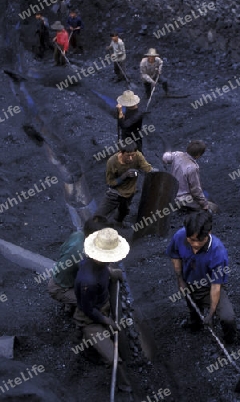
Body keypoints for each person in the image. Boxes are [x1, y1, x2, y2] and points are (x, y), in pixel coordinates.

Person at [166, 210, 237, 344]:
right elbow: (175, 256)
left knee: (228, 318)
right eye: (191, 240)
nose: (195, 245)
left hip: (208, 287)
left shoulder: (218, 252)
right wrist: (180, 280)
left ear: (208, 233)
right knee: (193, 308)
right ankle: (195, 324)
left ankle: (231, 340)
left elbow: (216, 286)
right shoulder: (179, 236)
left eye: (200, 240)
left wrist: (210, 315)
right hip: (188, 283)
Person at [73, 227, 131, 390]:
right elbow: (87, 309)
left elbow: (104, 270)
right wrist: (107, 321)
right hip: (89, 319)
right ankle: (123, 385)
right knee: (113, 359)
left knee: (95, 345)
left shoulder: (94, 263)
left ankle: (88, 350)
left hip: (101, 306)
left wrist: (112, 272)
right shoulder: (88, 282)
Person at [48, 217, 107, 314]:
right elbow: (91, 280)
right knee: (93, 301)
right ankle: (79, 318)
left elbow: (62, 250)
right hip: (59, 289)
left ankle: (70, 303)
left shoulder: (78, 235)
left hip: (60, 276)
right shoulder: (82, 254)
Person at [96, 141, 157, 227]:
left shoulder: (138, 155)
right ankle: (95, 229)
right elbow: (110, 183)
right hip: (115, 193)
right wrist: (124, 176)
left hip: (129, 193)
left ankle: (118, 223)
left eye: (133, 155)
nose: (131, 158)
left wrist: (154, 172)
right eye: (128, 156)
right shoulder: (112, 162)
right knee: (99, 215)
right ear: (121, 152)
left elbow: (147, 168)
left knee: (124, 211)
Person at [162, 140, 218, 213]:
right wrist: (204, 205)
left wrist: (167, 153)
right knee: (214, 207)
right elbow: (196, 190)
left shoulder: (177, 155)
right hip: (183, 200)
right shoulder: (193, 168)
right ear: (198, 155)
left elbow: (165, 158)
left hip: (172, 194)